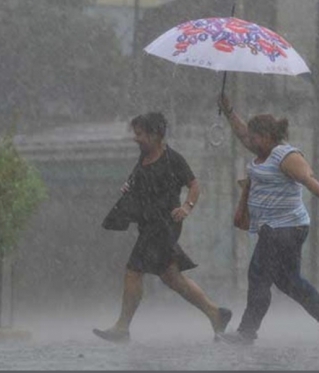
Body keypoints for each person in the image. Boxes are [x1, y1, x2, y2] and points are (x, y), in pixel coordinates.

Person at [216, 94, 319, 347]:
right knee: (289, 281)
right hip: (278, 228)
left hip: (285, 228)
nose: (250, 141)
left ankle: (246, 332)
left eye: (255, 137)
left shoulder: (285, 155)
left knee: (258, 275)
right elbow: (242, 133)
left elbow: (309, 179)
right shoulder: (263, 152)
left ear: (267, 136)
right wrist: (230, 111)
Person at [93, 111, 232, 343]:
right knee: (171, 277)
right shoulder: (143, 156)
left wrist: (186, 207)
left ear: (155, 134)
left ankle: (122, 327)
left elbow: (194, 185)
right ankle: (215, 313)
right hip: (149, 225)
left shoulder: (172, 159)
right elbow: (144, 184)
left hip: (164, 226)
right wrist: (129, 188)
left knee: (133, 271)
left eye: (140, 134)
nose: (135, 139)